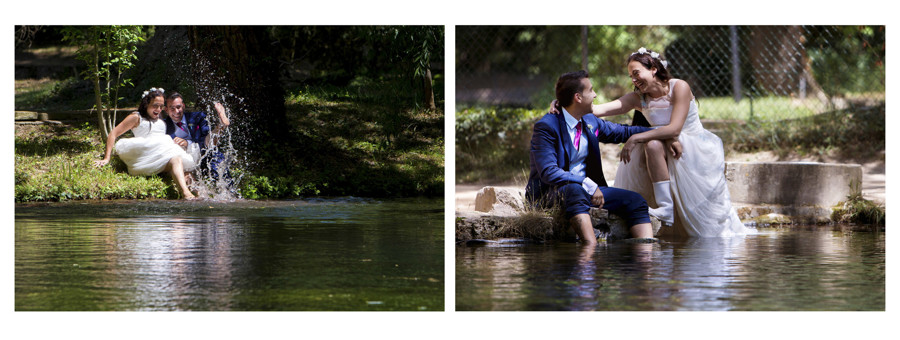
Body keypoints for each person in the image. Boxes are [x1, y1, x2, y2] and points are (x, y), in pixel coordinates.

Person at [569, 47, 753, 237]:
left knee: (651, 142)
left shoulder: (679, 87)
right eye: (631, 76)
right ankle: (665, 207)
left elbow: (675, 129)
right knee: (653, 144)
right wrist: (563, 103)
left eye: (636, 73)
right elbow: (598, 110)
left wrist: (636, 137)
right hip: (659, 142)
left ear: (653, 69)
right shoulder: (638, 99)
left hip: (692, 145)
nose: (633, 79)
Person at [526, 70, 664, 246]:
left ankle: (646, 259)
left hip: (589, 191)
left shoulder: (590, 120)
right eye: (591, 90)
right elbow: (549, 172)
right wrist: (587, 183)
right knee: (575, 191)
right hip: (551, 193)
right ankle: (590, 251)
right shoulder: (547, 126)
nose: (595, 94)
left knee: (636, 201)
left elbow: (624, 132)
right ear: (578, 97)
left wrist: (665, 133)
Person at [95, 88, 197, 199]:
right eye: (155, 105)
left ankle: (198, 197)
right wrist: (106, 158)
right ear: (146, 103)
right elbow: (113, 134)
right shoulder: (136, 117)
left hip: (160, 157)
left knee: (182, 166)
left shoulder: (160, 120)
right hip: (144, 158)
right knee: (176, 159)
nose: (158, 109)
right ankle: (186, 194)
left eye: (161, 106)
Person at [162, 92, 231, 182]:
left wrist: (188, 143)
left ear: (183, 106)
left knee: (212, 150)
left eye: (178, 107)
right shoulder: (163, 125)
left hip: (202, 151)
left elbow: (205, 138)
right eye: (172, 108)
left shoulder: (198, 117)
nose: (176, 111)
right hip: (182, 159)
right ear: (166, 110)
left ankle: (221, 125)